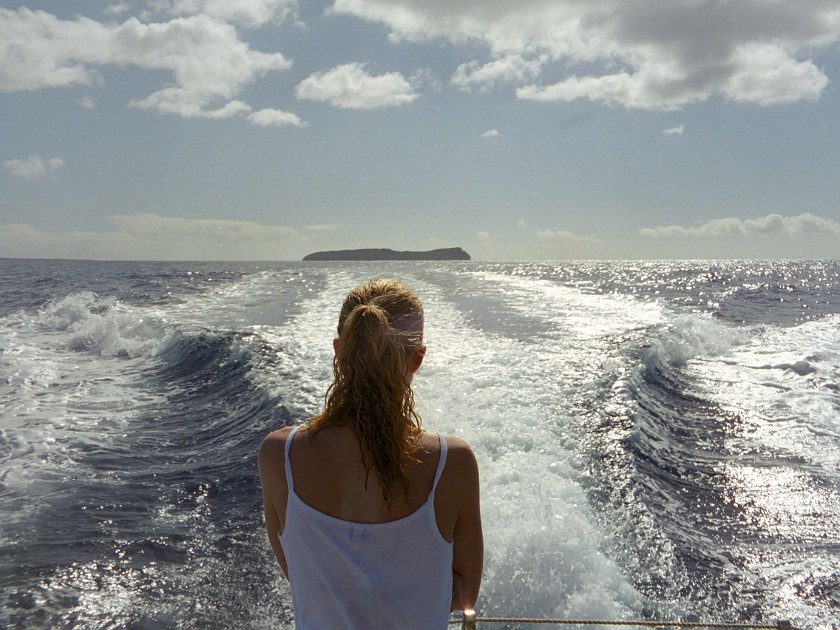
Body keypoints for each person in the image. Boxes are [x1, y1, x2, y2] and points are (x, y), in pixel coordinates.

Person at [259, 278, 483, 629]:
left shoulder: (278, 456)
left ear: (339, 349)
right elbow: (464, 593)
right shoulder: (452, 463)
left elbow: (297, 570)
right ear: (417, 359)